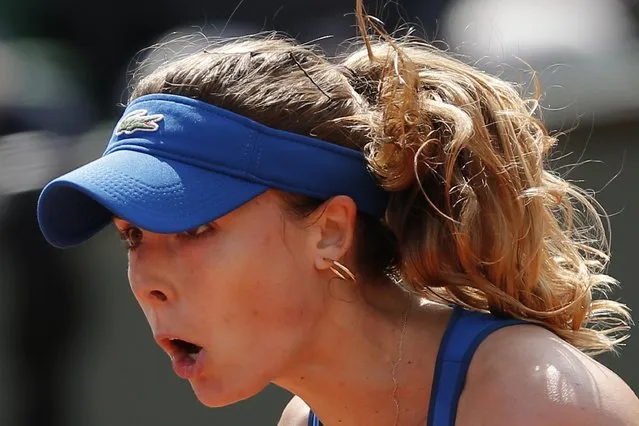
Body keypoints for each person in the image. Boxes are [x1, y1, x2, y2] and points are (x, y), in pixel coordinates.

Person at [36, 1, 639, 425]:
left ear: (329, 231)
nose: (149, 282)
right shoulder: (304, 419)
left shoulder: (535, 403)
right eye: (133, 236)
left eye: (197, 227)